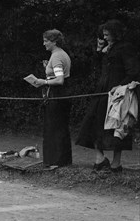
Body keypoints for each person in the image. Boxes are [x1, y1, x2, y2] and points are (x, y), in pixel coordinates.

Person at [76, 20, 140, 172]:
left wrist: (121, 85)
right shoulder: (107, 48)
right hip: (103, 90)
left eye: (107, 31)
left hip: (117, 93)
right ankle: (100, 158)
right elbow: (98, 67)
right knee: (93, 122)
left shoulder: (125, 48)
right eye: (103, 32)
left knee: (117, 126)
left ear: (115, 32)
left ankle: (116, 163)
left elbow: (133, 71)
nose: (104, 34)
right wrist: (99, 49)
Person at [32, 29, 72, 169]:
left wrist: (44, 82)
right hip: (62, 94)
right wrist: (47, 69)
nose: (44, 44)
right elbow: (58, 73)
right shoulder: (60, 54)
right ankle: (63, 160)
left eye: (46, 41)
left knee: (53, 127)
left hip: (57, 94)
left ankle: (55, 161)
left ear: (54, 42)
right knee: (60, 126)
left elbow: (60, 80)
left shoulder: (56, 56)